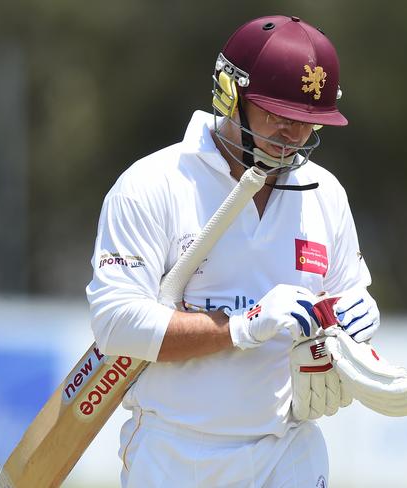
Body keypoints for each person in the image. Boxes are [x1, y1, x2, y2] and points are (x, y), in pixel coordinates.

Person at [86, 15, 382, 488]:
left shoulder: (325, 193)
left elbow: (348, 292)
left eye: (307, 122)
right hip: (177, 453)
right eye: (278, 116)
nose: (292, 137)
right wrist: (243, 326)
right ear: (231, 94)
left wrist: (357, 323)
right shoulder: (152, 185)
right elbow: (116, 325)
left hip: (289, 448)